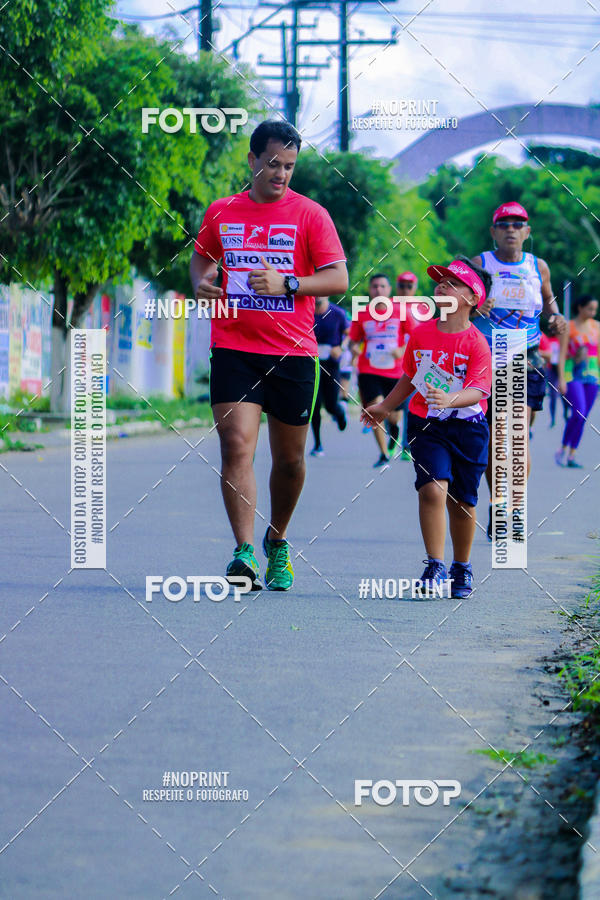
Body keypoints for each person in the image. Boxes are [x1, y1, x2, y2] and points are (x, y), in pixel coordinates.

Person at [190, 119, 348, 591]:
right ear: (252, 159)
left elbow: (338, 277)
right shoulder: (222, 211)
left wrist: (290, 283)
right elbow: (202, 254)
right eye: (274, 164)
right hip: (235, 345)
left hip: (293, 351)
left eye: (290, 166)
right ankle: (243, 554)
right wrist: (202, 281)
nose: (281, 174)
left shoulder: (311, 215)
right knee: (236, 445)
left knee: (290, 461)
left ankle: (276, 542)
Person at [361, 257, 493, 599]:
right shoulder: (420, 334)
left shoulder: (477, 342)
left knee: (463, 501)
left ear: (471, 297)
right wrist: (385, 407)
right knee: (432, 489)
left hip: (468, 429)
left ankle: (460, 567)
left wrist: (450, 398)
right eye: (440, 282)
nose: (441, 286)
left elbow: (480, 390)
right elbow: (409, 376)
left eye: (452, 283)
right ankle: (434, 563)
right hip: (427, 424)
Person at [471, 201, 567, 539]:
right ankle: (499, 504)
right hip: (487, 362)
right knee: (495, 440)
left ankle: (514, 507)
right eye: (504, 224)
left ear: (527, 232)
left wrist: (555, 318)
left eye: (518, 223)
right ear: (494, 231)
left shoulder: (537, 265)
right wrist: (475, 305)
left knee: (516, 437)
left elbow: (549, 301)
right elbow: (455, 304)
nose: (511, 229)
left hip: (526, 361)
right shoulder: (481, 263)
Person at [349, 273, 408, 467]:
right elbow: (353, 341)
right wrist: (354, 348)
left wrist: (402, 349)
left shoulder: (401, 311)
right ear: (370, 290)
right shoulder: (362, 314)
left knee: (394, 415)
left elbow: (414, 337)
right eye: (374, 286)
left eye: (383, 286)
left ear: (389, 290)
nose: (378, 290)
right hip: (369, 370)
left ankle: (394, 431)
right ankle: (383, 454)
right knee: (374, 408)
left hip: (395, 371)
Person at [555, 294, 599, 468]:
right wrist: (561, 379)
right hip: (572, 375)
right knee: (579, 411)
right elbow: (562, 354)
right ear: (580, 307)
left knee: (583, 417)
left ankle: (572, 454)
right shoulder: (569, 327)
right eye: (590, 308)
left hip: (593, 375)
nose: (593, 312)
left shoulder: (597, 327)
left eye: (595, 309)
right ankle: (562, 449)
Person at [310, 296, 348, 456]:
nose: (319, 295)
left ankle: (340, 413)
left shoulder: (338, 313)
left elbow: (348, 334)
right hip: (312, 364)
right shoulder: (307, 310)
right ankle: (317, 444)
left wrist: (340, 347)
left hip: (331, 365)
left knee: (331, 405)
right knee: (314, 405)